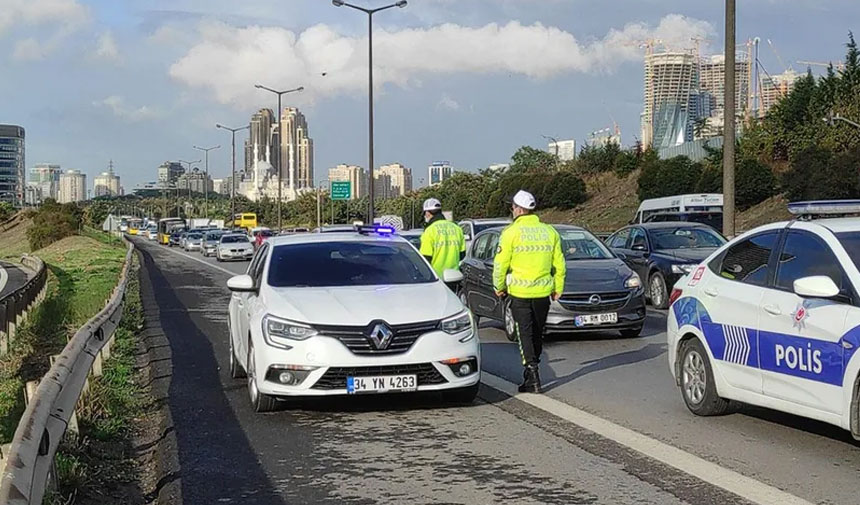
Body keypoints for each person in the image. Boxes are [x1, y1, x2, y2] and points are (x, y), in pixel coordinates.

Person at [493, 190, 566, 393]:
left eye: (513, 207)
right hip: (543, 293)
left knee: (524, 333)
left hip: (520, 293)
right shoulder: (549, 232)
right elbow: (559, 264)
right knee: (537, 333)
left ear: (518, 209)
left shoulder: (510, 233)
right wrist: (558, 287)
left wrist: (499, 287)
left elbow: (500, 265)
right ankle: (531, 371)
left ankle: (532, 374)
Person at [419, 198, 466, 291]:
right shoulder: (456, 228)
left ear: (428, 213)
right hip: (454, 278)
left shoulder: (430, 231)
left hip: (436, 279)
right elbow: (462, 254)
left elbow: (425, 258)